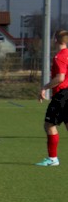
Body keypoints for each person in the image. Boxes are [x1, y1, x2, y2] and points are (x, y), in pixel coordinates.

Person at [36, 29, 68, 167]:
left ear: (55, 40)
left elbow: (60, 78)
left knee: (49, 125)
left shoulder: (59, 57)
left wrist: (45, 87)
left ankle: (52, 159)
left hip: (62, 95)